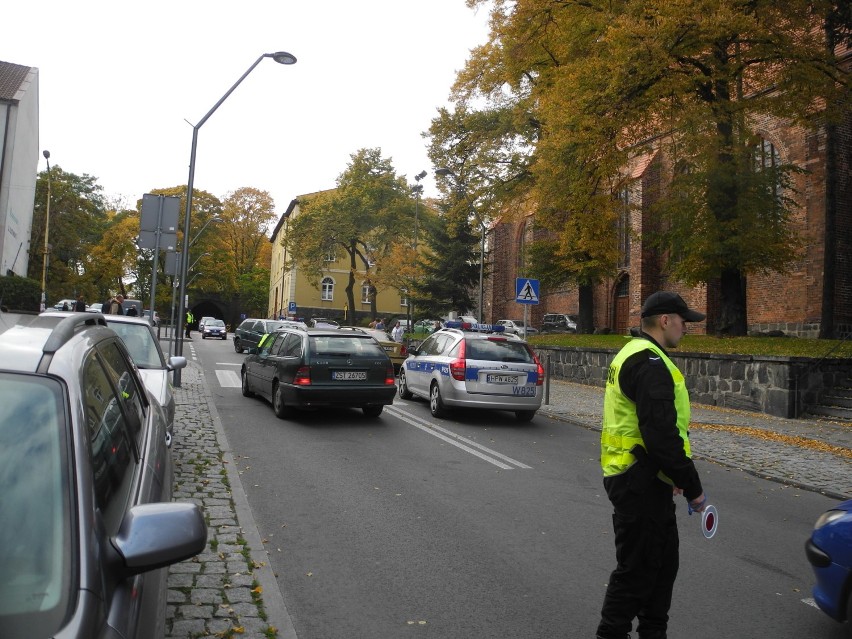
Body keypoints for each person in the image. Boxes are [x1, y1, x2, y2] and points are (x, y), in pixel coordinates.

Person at [596, 291, 708, 639]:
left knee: (660, 572)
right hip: (637, 482)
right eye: (683, 320)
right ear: (665, 320)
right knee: (637, 575)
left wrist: (669, 475)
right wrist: (693, 489)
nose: (685, 327)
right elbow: (661, 436)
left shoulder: (635, 353)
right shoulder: (651, 364)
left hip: (642, 478)